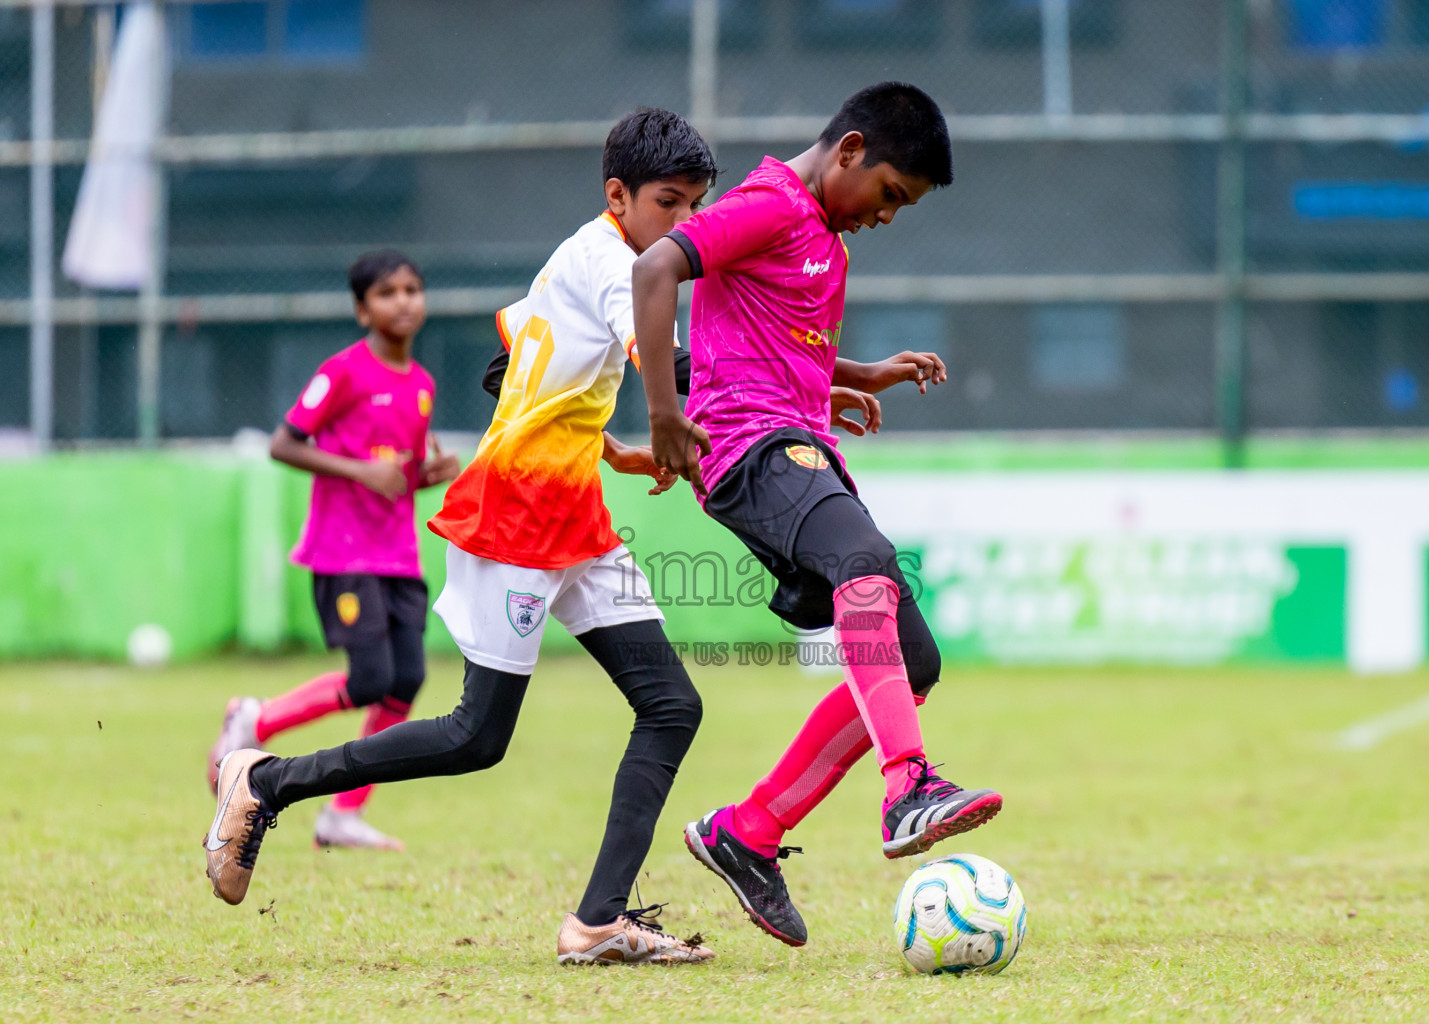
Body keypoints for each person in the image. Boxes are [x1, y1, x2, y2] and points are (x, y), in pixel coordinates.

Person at [205, 108, 729, 966]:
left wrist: (613, 447)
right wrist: (673, 420)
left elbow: (517, 368)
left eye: (693, 209)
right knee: (475, 736)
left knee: (672, 704)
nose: (681, 224)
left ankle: (599, 922)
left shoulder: (596, 258)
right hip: (515, 518)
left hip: (577, 520)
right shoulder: (614, 264)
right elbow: (650, 350)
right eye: (668, 203)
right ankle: (263, 781)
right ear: (617, 195)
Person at [630, 82, 1003, 948]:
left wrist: (857, 376)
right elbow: (658, 270)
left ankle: (747, 834)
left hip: (790, 440)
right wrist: (660, 414)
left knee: (912, 660)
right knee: (865, 559)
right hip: (747, 451)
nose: (887, 216)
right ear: (850, 150)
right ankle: (909, 784)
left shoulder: (823, 238)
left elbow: (775, 337)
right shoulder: (769, 205)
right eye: (890, 195)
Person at [207, 249, 460, 851]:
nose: (403, 301)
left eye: (412, 290)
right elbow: (284, 444)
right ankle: (254, 719)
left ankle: (342, 815)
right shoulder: (344, 372)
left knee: (407, 681)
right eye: (387, 293)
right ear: (361, 309)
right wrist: (357, 473)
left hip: (398, 552)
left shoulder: (421, 384)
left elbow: (398, 472)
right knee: (371, 677)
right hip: (343, 552)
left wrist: (429, 474)